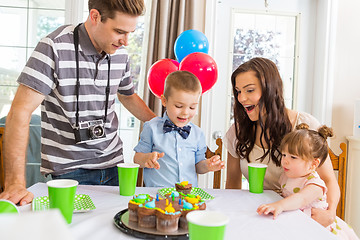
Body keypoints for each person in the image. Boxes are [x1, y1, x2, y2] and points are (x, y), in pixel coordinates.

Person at [0, 0, 156, 205]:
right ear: (95, 16)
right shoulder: (54, 46)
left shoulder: (120, 54)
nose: (126, 41)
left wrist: (161, 123)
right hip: (69, 172)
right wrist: (15, 183)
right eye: (119, 31)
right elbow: (20, 112)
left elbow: (127, 96)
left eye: (130, 33)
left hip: (115, 166)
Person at [224, 57, 340, 227]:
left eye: (249, 90)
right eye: (238, 91)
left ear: (271, 89)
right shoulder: (237, 132)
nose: (241, 98)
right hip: (262, 215)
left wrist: (330, 214)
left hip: (303, 218)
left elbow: (329, 180)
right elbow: (232, 183)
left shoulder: (305, 126)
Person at [257, 124, 359, 239]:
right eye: (284, 155)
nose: (285, 161)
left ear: (313, 164)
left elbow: (301, 199)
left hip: (317, 227)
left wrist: (279, 205)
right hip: (297, 222)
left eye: (293, 157)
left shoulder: (315, 184)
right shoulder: (287, 176)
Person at [133, 70, 225, 187]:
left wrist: (208, 165)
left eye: (192, 107)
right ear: (164, 101)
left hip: (188, 197)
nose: (185, 112)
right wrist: (147, 158)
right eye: (179, 106)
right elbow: (137, 159)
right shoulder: (151, 128)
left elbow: (198, 166)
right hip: (157, 195)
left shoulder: (198, 134)